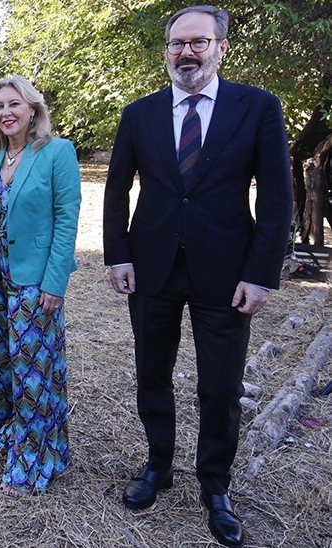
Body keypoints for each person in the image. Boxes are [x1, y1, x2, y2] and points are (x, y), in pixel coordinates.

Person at [103, 5, 292, 546]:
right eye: (178, 43)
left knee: (221, 387)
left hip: (227, 274)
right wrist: (119, 255)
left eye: (199, 43)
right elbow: (117, 191)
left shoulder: (257, 108)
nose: (187, 52)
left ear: (221, 47)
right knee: (152, 377)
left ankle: (215, 486)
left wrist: (262, 274)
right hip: (153, 269)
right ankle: (157, 466)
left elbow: (278, 200)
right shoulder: (139, 113)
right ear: (166, 50)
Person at [0, 76, 81, 495]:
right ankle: (6, 428)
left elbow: (67, 220)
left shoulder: (57, 152)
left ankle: (33, 460)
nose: (6, 113)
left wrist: (56, 282)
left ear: (33, 109)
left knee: (33, 372)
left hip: (35, 283)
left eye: (14, 104)